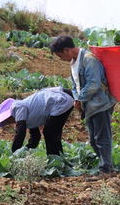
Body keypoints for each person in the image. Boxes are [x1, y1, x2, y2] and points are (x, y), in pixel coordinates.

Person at [49, 36, 116, 174]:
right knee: (93, 140)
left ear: (67, 50)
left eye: (60, 55)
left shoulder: (89, 59)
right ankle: (107, 166)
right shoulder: (73, 63)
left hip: (100, 104)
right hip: (89, 106)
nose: (61, 59)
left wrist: (79, 98)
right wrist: (77, 98)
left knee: (102, 138)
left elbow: (94, 84)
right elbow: (75, 85)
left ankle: (106, 170)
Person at [0, 87, 74, 155]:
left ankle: (55, 159)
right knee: (54, 133)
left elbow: (20, 133)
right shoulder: (28, 118)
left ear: (9, 115)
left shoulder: (17, 107)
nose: (7, 122)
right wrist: (26, 149)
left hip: (61, 100)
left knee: (49, 132)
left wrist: (14, 152)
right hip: (62, 100)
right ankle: (59, 159)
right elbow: (35, 137)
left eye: (6, 120)